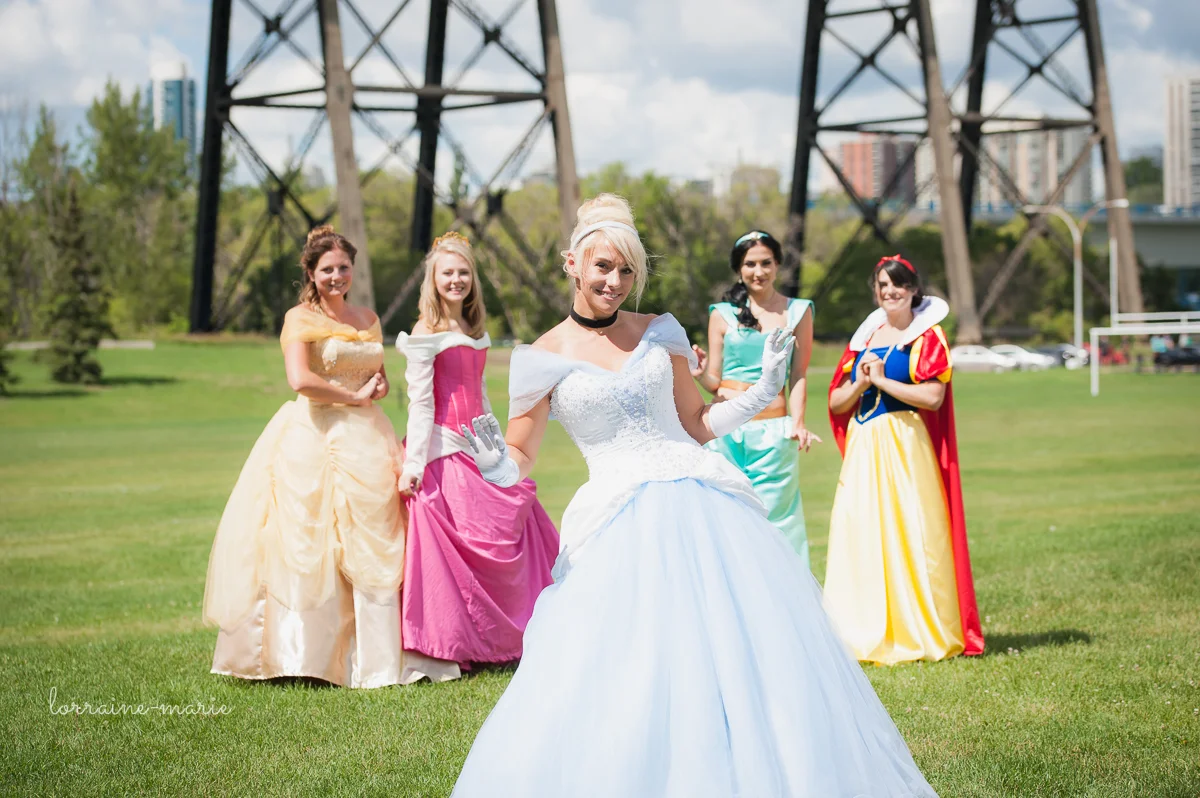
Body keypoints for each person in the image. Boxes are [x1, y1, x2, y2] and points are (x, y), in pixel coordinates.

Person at [449, 196, 938, 797]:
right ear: (571, 262)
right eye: (604, 267)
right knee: (632, 666)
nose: (615, 281)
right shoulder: (541, 358)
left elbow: (699, 422)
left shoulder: (660, 330)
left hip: (701, 502)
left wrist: (763, 388)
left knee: (741, 660)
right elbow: (522, 456)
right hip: (616, 518)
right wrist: (498, 467)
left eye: (627, 271)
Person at [202, 225, 443, 688]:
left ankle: (374, 659)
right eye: (327, 269)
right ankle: (305, 657)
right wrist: (351, 399)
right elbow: (299, 380)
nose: (337, 276)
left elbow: (377, 373)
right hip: (316, 433)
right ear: (311, 274)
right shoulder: (299, 318)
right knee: (310, 537)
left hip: (368, 434)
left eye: (344, 268)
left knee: (374, 536)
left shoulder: (368, 317)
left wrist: (379, 387)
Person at [395, 231, 558, 675]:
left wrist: (498, 449)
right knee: (465, 546)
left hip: (476, 444)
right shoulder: (425, 333)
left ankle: (514, 634)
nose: (456, 280)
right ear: (433, 278)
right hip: (442, 449)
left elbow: (480, 395)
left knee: (514, 526)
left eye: (463, 272)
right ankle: (460, 642)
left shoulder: (473, 330)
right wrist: (415, 465)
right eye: (447, 272)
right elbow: (422, 403)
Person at [825, 255, 984, 665]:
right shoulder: (865, 337)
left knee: (910, 529)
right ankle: (861, 628)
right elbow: (837, 402)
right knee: (861, 529)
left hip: (904, 443)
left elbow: (934, 397)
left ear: (913, 289)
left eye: (897, 284)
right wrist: (861, 381)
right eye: (882, 284)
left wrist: (882, 381)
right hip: (865, 445)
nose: (889, 291)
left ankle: (916, 629)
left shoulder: (927, 337)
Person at [692, 229, 819, 567]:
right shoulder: (721, 314)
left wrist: (798, 422)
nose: (758, 271)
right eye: (750, 264)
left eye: (766, 263)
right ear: (739, 268)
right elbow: (714, 381)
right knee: (725, 518)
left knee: (777, 520)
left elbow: (799, 373)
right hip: (724, 434)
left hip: (773, 433)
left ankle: (788, 599)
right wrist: (699, 371)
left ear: (778, 265)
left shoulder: (799, 311)